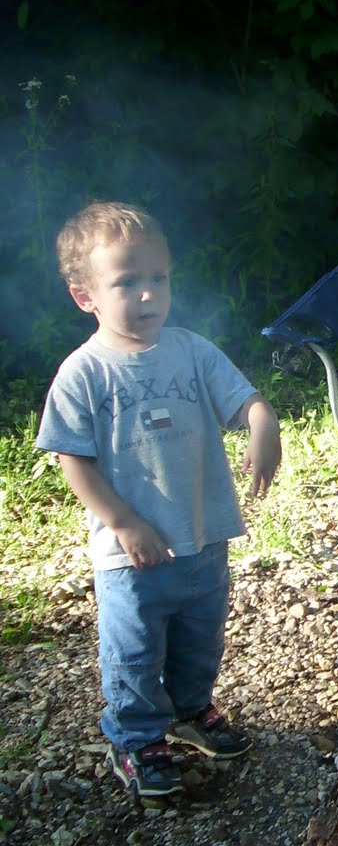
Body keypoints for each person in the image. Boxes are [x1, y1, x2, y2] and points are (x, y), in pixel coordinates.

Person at [36, 201, 281, 800]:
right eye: (127, 282)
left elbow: (247, 401)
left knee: (201, 638)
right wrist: (123, 522)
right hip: (132, 555)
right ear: (85, 296)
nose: (148, 295)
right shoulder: (84, 373)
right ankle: (137, 737)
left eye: (159, 278)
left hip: (203, 534)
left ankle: (192, 709)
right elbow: (73, 459)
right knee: (135, 651)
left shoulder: (191, 350)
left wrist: (264, 424)